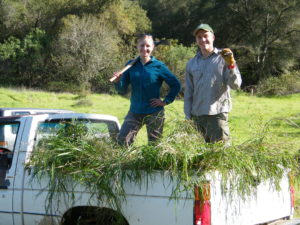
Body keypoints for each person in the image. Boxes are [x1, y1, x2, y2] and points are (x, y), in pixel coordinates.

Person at [111, 34, 181, 146]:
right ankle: (127, 163)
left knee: (154, 146)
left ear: (152, 47)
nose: (145, 49)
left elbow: (176, 85)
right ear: (137, 46)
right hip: (135, 111)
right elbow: (122, 89)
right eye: (142, 45)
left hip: (154, 112)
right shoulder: (130, 65)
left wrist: (165, 101)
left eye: (148, 46)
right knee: (122, 141)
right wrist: (117, 81)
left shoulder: (159, 66)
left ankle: (150, 164)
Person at [184, 24, 242, 144]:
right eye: (199, 37)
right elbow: (189, 92)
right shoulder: (191, 63)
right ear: (196, 40)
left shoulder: (224, 57)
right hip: (197, 116)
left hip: (217, 115)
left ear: (213, 37)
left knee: (221, 155)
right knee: (198, 155)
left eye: (205, 36)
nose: (203, 39)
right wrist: (188, 116)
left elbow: (235, 85)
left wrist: (231, 65)